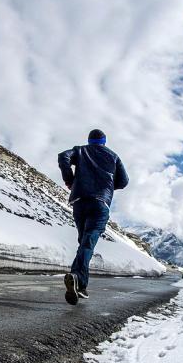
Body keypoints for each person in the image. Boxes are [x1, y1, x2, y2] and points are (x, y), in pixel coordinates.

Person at [58, 129, 129, 305]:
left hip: (80, 202)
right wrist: (108, 186)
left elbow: (63, 156)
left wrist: (70, 180)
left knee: (84, 243)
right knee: (88, 242)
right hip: (100, 203)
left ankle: (80, 286)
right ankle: (76, 277)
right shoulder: (113, 156)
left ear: (89, 141)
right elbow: (124, 181)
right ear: (104, 142)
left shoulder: (80, 150)